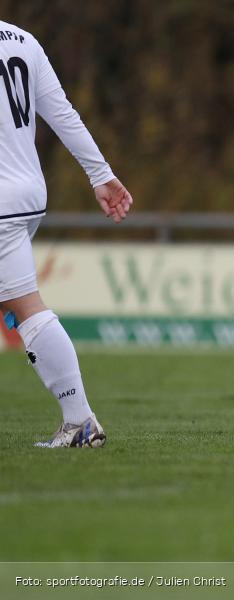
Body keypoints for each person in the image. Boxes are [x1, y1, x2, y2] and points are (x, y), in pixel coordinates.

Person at [0, 20, 133, 448]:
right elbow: (62, 113)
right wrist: (101, 174)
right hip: (27, 196)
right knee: (16, 305)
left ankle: (80, 420)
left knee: (26, 307)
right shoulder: (22, 40)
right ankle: (79, 421)